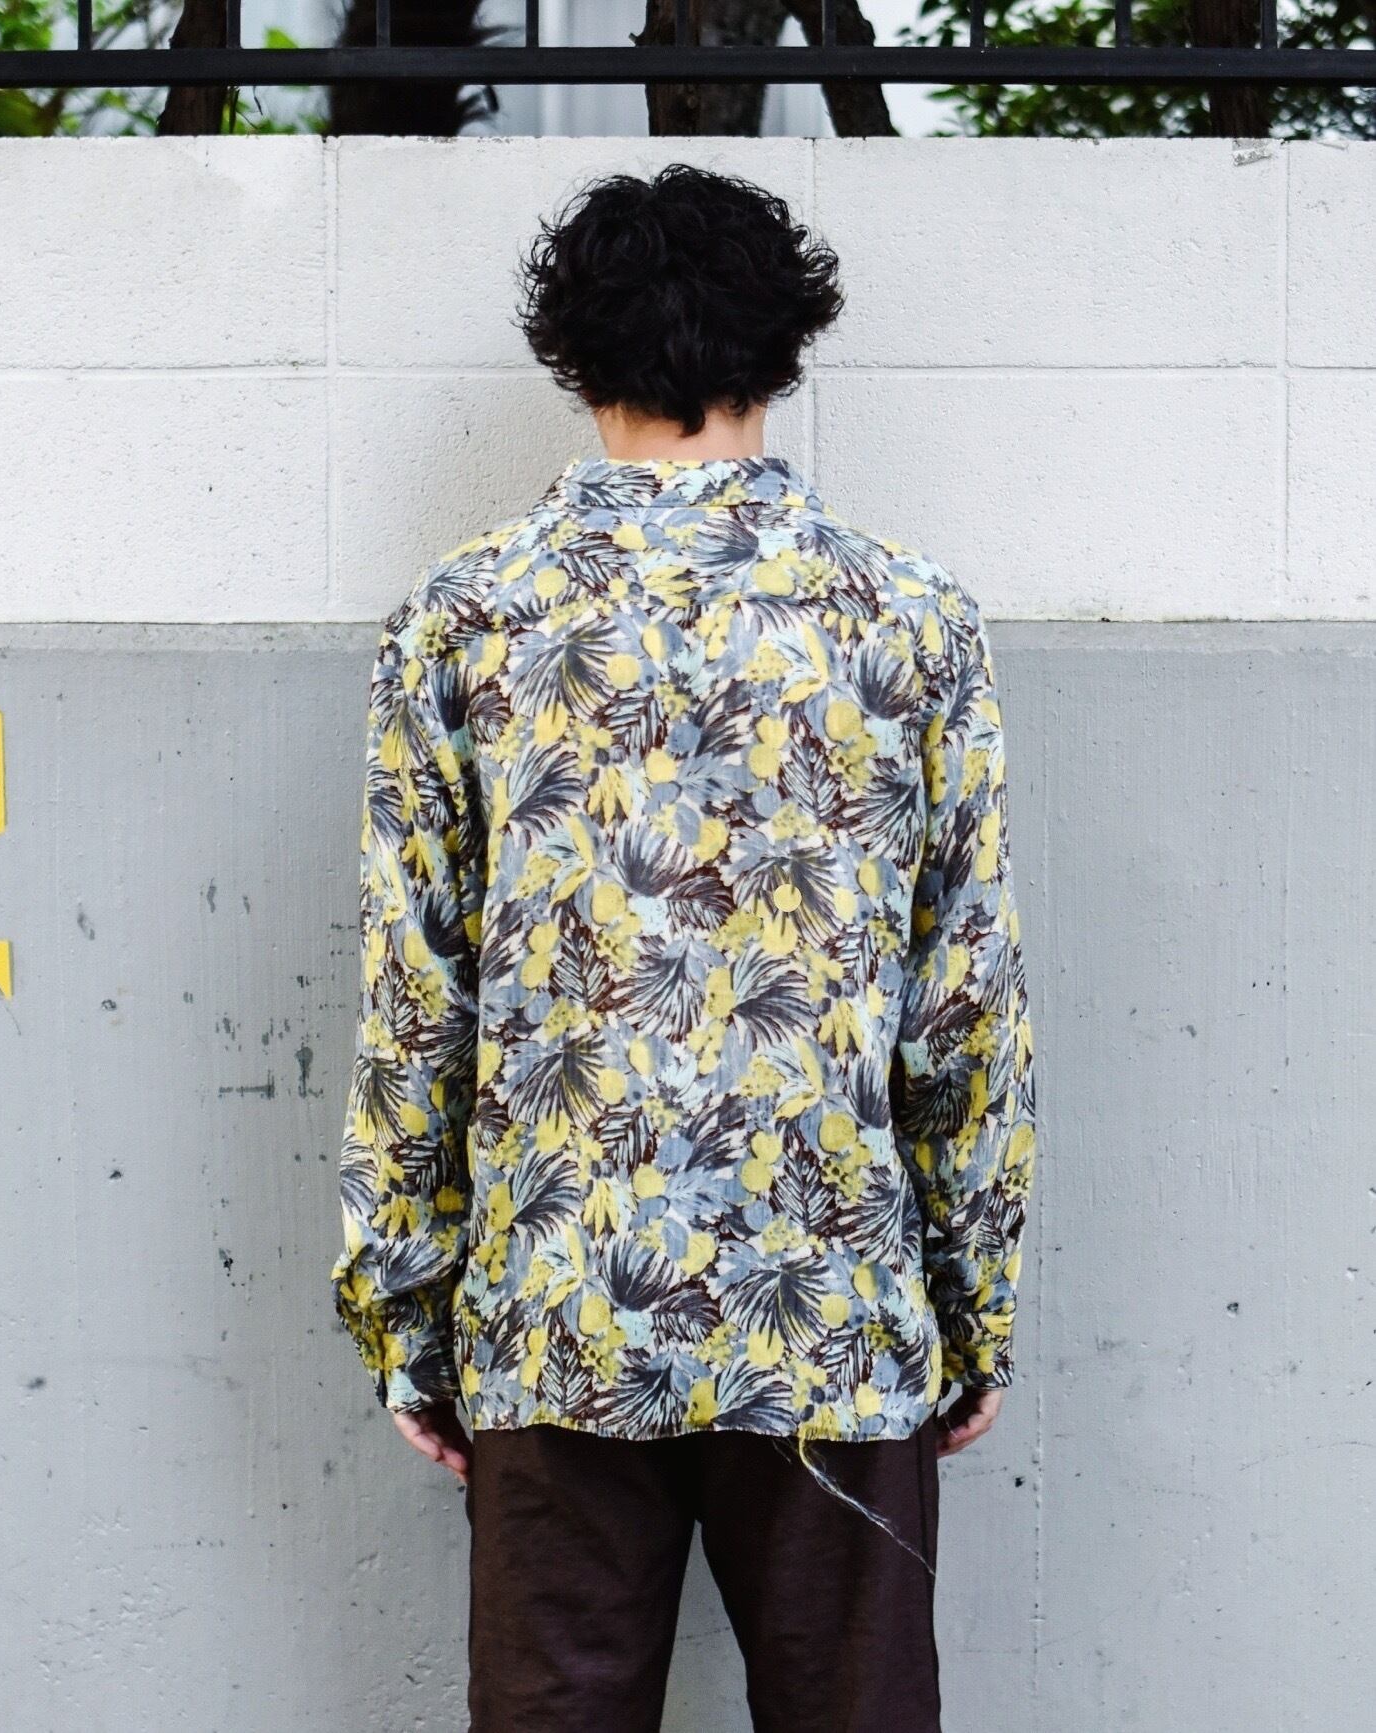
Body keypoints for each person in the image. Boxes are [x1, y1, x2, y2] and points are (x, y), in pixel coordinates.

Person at [330, 161, 1037, 1733]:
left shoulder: (465, 621)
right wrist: (972, 1299)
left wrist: (409, 1312)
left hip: (557, 1307)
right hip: (834, 1307)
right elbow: (965, 997)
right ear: (784, 350)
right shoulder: (909, 619)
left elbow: (414, 998)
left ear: (571, 358)